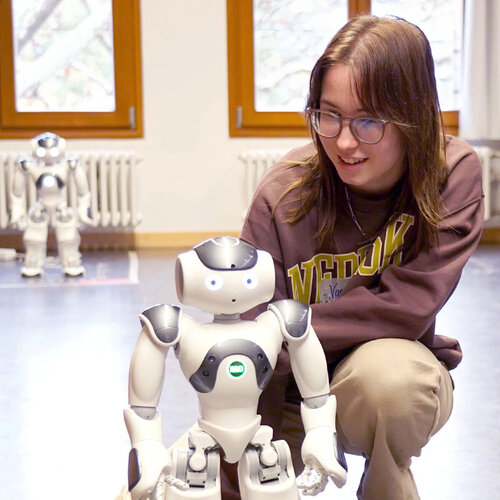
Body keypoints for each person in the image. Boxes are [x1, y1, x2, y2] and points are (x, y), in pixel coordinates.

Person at [222, 14, 484, 500]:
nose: (344, 142)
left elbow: (405, 309)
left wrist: (288, 328)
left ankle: (385, 482)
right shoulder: (284, 195)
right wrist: (236, 463)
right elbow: (253, 336)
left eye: (368, 121)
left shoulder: (451, 174)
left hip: (374, 379)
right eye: (329, 115)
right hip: (287, 393)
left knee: (393, 385)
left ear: (413, 114)